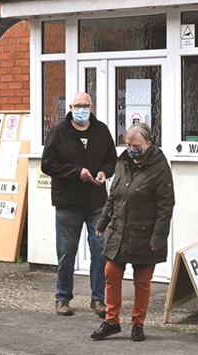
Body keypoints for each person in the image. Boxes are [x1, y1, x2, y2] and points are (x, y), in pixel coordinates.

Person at [90, 123, 175, 341]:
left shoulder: (159, 166)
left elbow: (166, 206)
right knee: (111, 272)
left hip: (146, 234)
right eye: (127, 144)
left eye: (136, 145)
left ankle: (138, 324)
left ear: (148, 144)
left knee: (142, 281)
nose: (131, 148)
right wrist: (102, 223)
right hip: (120, 231)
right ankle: (111, 321)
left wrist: (158, 237)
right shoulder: (122, 163)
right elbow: (113, 197)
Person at [41, 92, 117, 317]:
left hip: (96, 203)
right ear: (70, 107)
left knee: (100, 250)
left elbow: (112, 159)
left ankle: (98, 299)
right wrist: (76, 172)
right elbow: (48, 164)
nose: (81, 109)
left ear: (91, 107)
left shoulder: (101, 131)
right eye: (77, 105)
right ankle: (62, 298)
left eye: (85, 105)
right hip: (67, 203)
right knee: (66, 253)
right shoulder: (58, 132)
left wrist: (105, 172)